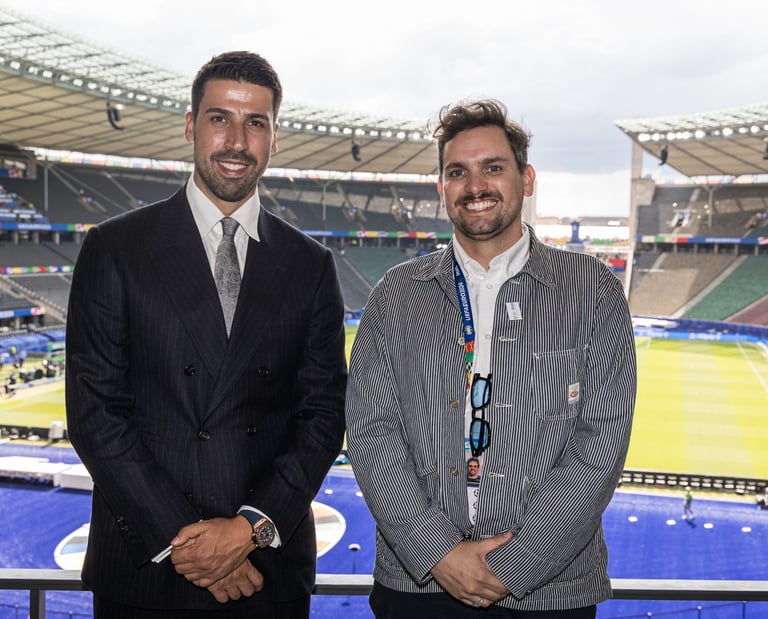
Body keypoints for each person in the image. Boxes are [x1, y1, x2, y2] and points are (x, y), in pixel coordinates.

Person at [65, 51, 347, 619]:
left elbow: (322, 416)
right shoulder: (115, 248)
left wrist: (248, 529)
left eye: (256, 123)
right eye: (220, 118)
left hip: (264, 575)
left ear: (274, 137)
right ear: (192, 126)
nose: (237, 140)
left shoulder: (311, 264)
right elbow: (96, 414)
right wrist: (189, 543)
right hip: (148, 570)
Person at [345, 99, 636, 618]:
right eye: (457, 172)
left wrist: (514, 568)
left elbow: (600, 444)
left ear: (526, 178)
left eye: (493, 168)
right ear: (441, 187)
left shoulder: (593, 291)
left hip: (549, 594)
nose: (474, 185)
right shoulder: (395, 294)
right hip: (419, 589)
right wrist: (437, 553)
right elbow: (371, 432)